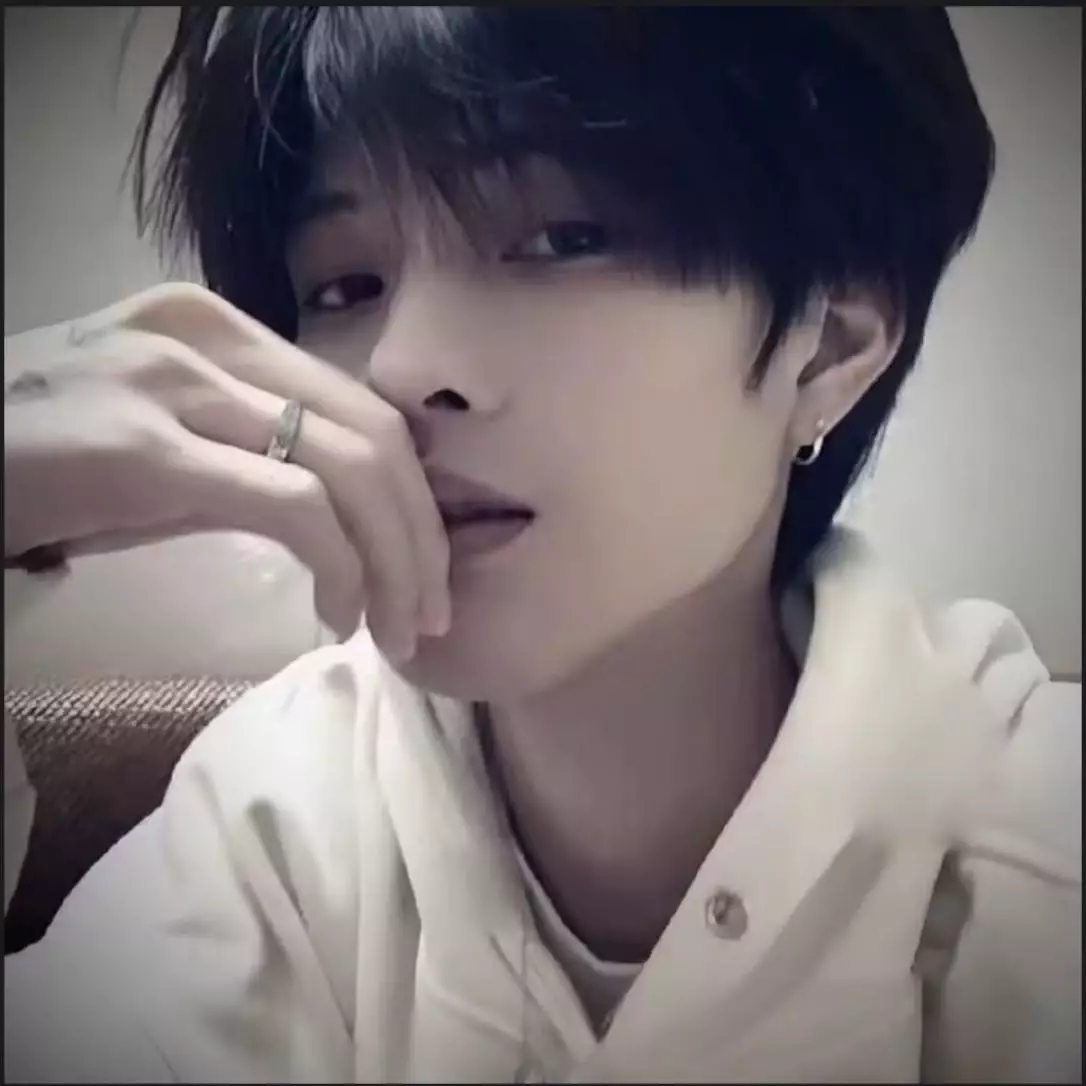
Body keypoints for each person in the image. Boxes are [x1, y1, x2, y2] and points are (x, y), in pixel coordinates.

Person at [3, 7, 1080, 1083]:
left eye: (563, 239)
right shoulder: (281, 817)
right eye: (344, 287)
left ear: (827, 346)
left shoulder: (1042, 852)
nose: (401, 368)